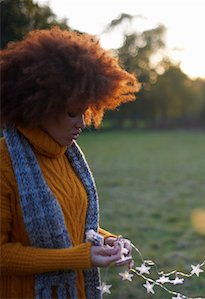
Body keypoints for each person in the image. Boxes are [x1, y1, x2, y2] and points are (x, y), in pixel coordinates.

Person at [0, 27, 140, 298]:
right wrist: (80, 257)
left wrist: (108, 240)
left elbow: (75, 226)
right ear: (42, 106)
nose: (83, 122)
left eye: (86, 111)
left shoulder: (68, 155)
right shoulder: (5, 162)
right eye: (73, 113)